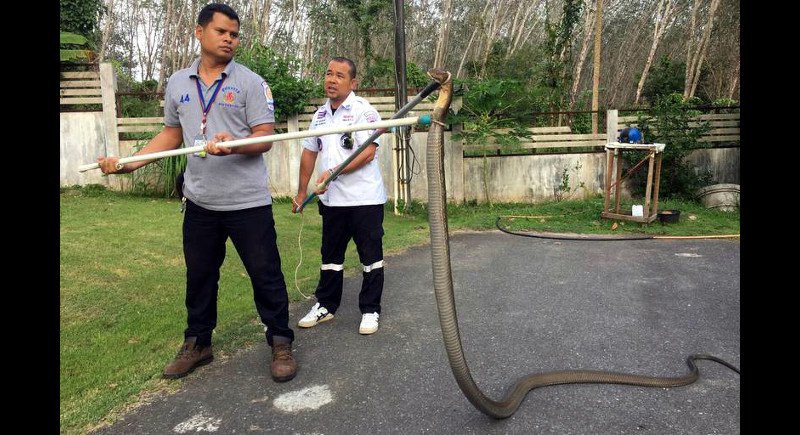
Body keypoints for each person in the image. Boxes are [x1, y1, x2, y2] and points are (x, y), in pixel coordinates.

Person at [97, 3, 297, 382]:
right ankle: (198, 343)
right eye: (222, 32)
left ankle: (280, 341)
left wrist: (234, 143)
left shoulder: (251, 82)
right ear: (199, 32)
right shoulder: (177, 82)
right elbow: (172, 135)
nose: (229, 39)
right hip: (201, 201)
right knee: (200, 276)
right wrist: (128, 162)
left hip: (247, 203)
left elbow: (265, 138)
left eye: (234, 35)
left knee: (265, 273)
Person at [292, 57, 387, 335]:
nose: (332, 80)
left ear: (353, 83)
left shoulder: (363, 111)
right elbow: (310, 152)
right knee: (330, 256)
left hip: (364, 200)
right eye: (329, 73)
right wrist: (300, 193)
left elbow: (369, 151)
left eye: (340, 76)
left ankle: (370, 310)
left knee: (370, 257)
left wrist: (332, 173)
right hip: (332, 201)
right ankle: (326, 305)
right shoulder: (320, 115)